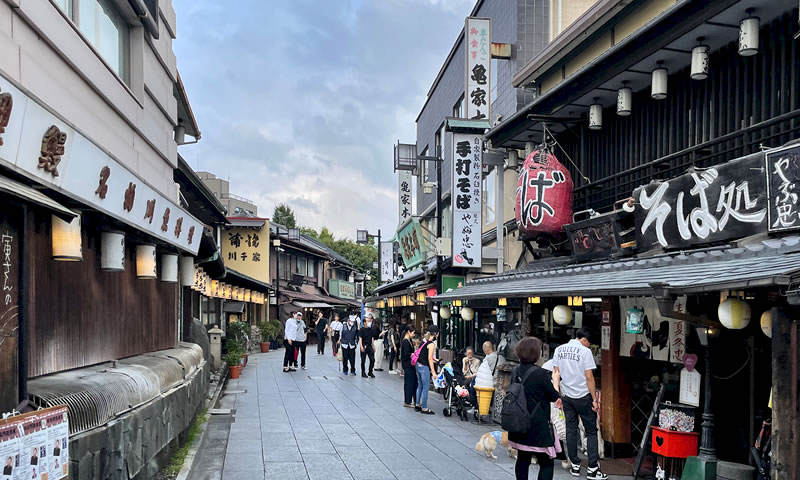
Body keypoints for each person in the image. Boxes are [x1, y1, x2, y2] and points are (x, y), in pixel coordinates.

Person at [552, 329, 607, 480]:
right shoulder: (585, 352)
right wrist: (594, 399)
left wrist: (558, 394)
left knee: (571, 428)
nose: (589, 346)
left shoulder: (559, 349)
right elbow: (589, 377)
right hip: (583, 396)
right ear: (584, 340)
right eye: (589, 344)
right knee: (591, 431)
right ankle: (593, 469)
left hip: (566, 395)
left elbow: (556, 373)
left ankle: (575, 465)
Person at [508, 337, 561, 480]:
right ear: (535, 353)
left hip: (519, 422)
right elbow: (553, 396)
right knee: (546, 461)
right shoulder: (541, 374)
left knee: (523, 458)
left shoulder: (515, 371)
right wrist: (555, 381)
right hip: (538, 425)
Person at [415, 325, 439, 414]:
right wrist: (433, 372)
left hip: (418, 365)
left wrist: (434, 359)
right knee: (426, 387)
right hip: (424, 367)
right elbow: (429, 358)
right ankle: (424, 408)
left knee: (420, 385)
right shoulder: (432, 344)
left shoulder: (424, 341)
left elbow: (424, 353)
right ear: (436, 334)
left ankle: (417, 405)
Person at [469, 341, 498, 411]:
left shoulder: (488, 359)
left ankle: (475, 406)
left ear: (485, 349)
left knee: (474, 382)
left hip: (491, 382)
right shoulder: (498, 356)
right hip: (497, 380)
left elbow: (481, 372)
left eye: (483, 349)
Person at [401, 325, 418, 407]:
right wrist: (413, 354)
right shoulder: (405, 341)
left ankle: (414, 400)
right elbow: (405, 354)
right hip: (408, 364)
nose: (414, 334)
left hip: (410, 365)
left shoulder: (409, 340)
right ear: (408, 332)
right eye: (413, 333)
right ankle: (407, 401)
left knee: (413, 382)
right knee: (409, 383)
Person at [359, 313, 379, 378]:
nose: (368, 323)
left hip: (369, 346)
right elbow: (360, 338)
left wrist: (373, 346)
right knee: (363, 360)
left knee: (372, 359)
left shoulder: (371, 330)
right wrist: (361, 346)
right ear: (364, 323)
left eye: (369, 321)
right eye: (367, 321)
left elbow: (372, 338)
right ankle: (363, 372)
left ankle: (370, 371)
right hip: (364, 345)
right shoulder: (361, 330)